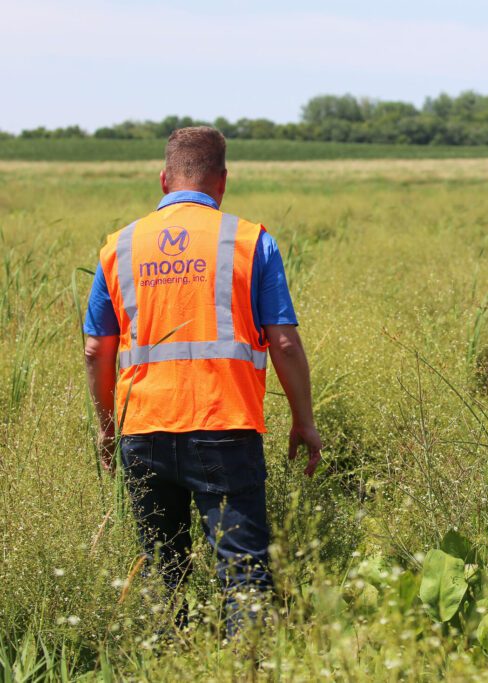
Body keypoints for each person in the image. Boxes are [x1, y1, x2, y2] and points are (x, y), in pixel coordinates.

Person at [83, 126, 323, 633]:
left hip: (142, 427)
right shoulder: (251, 241)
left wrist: (107, 427)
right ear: (223, 180)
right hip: (224, 426)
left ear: (164, 179)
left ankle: (168, 657)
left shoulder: (119, 246)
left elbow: (95, 350)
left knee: (162, 574)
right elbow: (284, 343)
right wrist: (304, 420)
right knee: (243, 573)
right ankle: (245, 662)